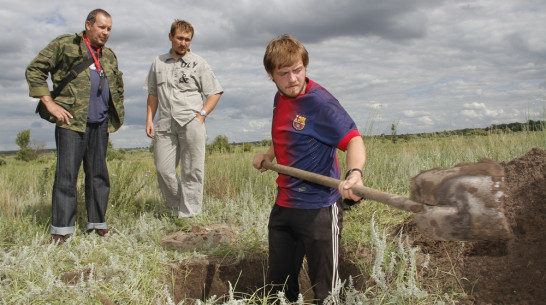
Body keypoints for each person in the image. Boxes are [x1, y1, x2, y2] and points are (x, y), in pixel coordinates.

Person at [252, 34, 366, 304]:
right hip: (284, 208)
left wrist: (354, 174)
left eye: (298, 70)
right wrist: (268, 155)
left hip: (319, 211)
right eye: (284, 73)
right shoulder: (280, 98)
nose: (293, 79)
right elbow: (287, 134)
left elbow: (354, 140)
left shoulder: (320, 103)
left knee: (327, 294)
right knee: (279, 291)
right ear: (271, 74)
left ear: (305, 66)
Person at [25, 9, 125, 244]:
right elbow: (35, 70)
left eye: (109, 28)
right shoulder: (65, 45)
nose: (106, 32)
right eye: (102, 27)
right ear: (88, 24)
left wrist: (114, 114)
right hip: (71, 122)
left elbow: (117, 87)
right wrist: (49, 104)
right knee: (66, 176)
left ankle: (97, 224)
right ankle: (62, 230)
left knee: (98, 175)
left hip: (99, 124)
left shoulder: (109, 55)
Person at [145, 20, 223, 218]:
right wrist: (149, 120)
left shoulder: (199, 63)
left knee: (192, 171)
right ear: (171, 37)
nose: (183, 43)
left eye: (187, 39)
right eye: (179, 38)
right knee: (163, 170)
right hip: (164, 123)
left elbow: (214, 92)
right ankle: (175, 208)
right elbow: (153, 94)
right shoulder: (158, 62)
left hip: (191, 121)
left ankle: (189, 215)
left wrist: (201, 116)